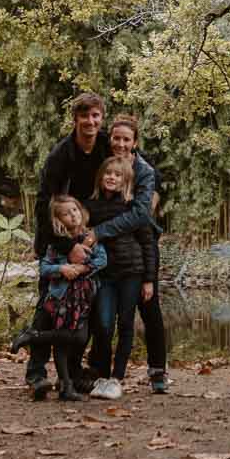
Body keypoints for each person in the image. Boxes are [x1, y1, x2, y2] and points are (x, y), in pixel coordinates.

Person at [25, 91, 160, 398]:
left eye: (96, 116)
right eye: (84, 116)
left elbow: (141, 166)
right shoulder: (61, 155)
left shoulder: (104, 145)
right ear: (75, 120)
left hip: (91, 235)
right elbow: (44, 205)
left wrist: (153, 193)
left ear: (101, 118)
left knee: (83, 310)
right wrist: (66, 244)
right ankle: (35, 373)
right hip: (58, 234)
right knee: (49, 307)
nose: (90, 121)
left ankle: (74, 374)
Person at [8, 195, 107, 401]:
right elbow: (44, 267)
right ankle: (67, 387)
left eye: (75, 210)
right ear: (58, 220)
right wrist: (61, 268)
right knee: (64, 339)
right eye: (65, 213)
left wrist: (81, 268)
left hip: (82, 299)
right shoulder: (58, 243)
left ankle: (32, 336)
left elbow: (102, 260)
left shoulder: (89, 237)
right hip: (61, 298)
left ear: (81, 211)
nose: (72, 215)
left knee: (77, 338)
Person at [82, 155, 156, 399]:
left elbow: (147, 243)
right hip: (104, 275)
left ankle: (117, 378)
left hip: (131, 273)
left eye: (118, 174)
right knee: (103, 325)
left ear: (126, 180)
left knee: (126, 325)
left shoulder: (133, 208)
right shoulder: (90, 207)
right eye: (108, 173)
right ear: (100, 176)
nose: (112, 177)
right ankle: (102, 375)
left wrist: (148, 279)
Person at [107, 112, 171, 394]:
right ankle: (98, 371)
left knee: (150, 308)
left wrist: (101, 228)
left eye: (126, 139)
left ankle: (158, 372)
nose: (120, 144)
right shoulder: (105, 163)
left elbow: (141, 216)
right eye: (116, 138)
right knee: (106, 315)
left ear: (135, 142)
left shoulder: (144, 171)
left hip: (143, 243)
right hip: (112, 249)